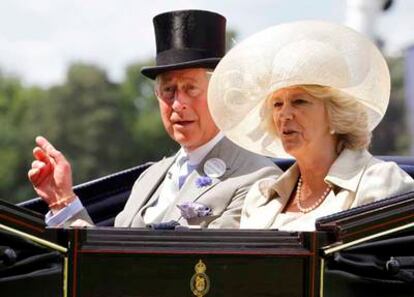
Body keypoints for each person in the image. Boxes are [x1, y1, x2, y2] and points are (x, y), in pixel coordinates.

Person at [28, 9, 281, 228]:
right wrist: (62, 201)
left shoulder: (257, 178)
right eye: (168, 91)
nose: (178, 104)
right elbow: (107, 260)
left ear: (220, 93)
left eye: (190, 88)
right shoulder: (149, 178)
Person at [207, 20, 414, 231]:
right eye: (277, 104)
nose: (284, 115)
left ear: (336, 113)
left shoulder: (380, 182)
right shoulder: (260, 196)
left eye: (299, 101)